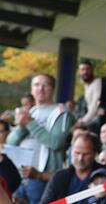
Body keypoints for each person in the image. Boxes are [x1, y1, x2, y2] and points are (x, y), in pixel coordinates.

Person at [8, 74, 76, 203]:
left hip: (42, 178)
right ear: (32, 89)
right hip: (19, 176)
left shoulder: (61, 112)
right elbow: (11, 142)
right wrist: (22, 128)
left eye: (45, 85)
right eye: (36, 85)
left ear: (53, 89)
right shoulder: (31, 111)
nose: (41, 88)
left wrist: (29, 123)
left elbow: (56, 143)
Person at [38, 131, 103, 204]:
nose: (80, 158)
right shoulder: (60, 177)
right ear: (70, 151)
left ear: (95, 154)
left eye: (86, 154)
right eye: (77, 153)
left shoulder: (103, 174)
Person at [74, 60, 101, 130]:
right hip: (89, 120)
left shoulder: (97, 83)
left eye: (88, 69)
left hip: (96, 121)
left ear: (92, 70)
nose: (85, 72)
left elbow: (95, 106)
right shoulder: (86, 85)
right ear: (79, 72)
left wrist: (83, 120)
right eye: (82, 69)